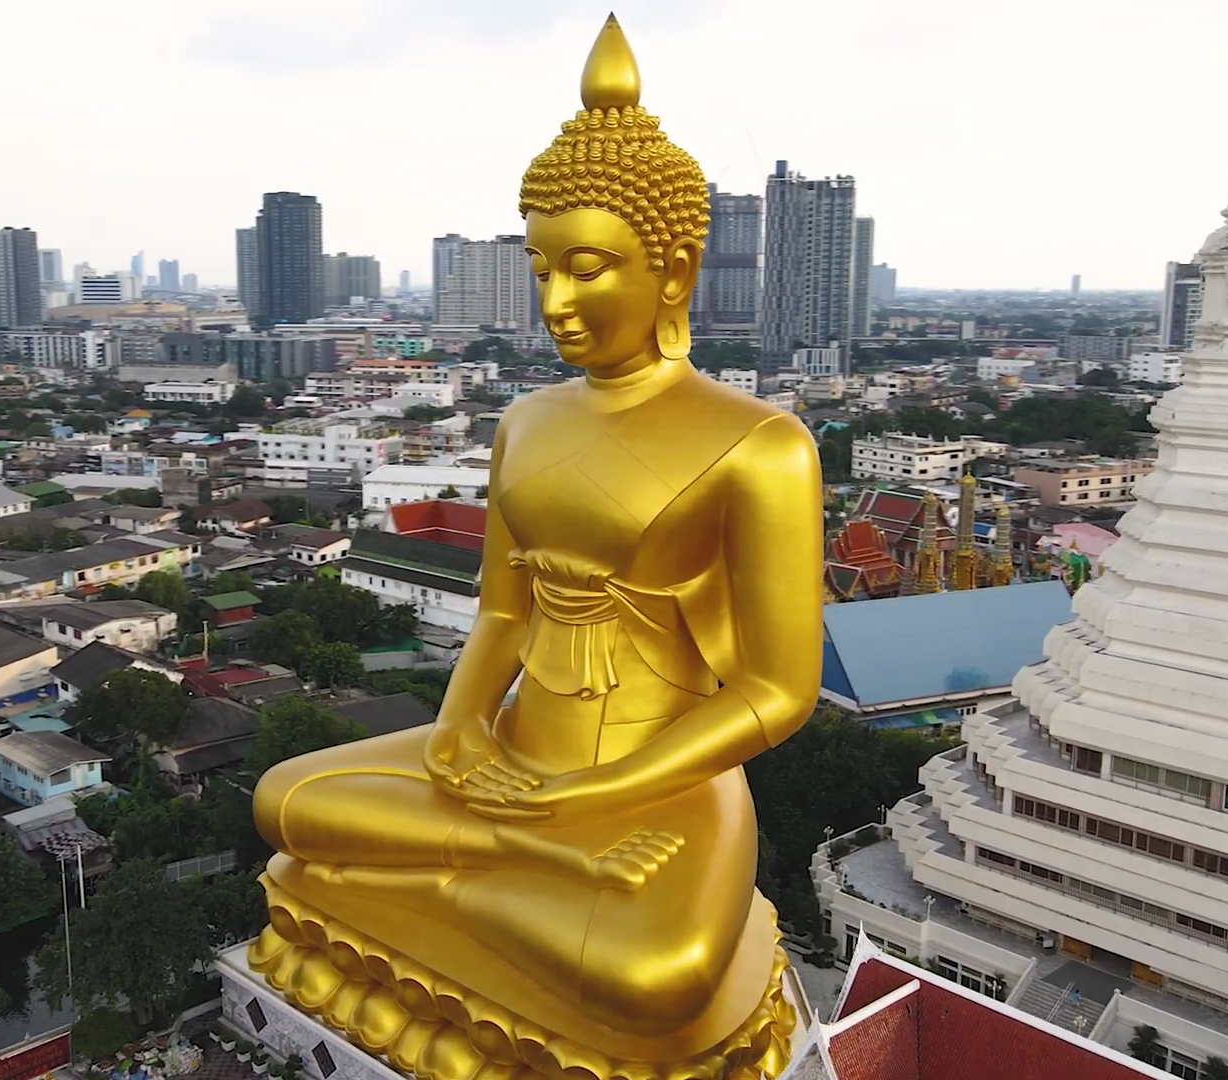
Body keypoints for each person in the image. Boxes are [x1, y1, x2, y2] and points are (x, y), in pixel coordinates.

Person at [246, 17, 823, 1080]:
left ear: (674, 266)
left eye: (589, 269)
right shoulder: (527, 421)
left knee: (662, 973)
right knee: (285, 801)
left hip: (660, 782)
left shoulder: (762, 446)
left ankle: (469, 877)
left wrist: (596, 796)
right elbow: (505, 614)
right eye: (541, 268)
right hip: (513, 765)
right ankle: (508, 861)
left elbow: (776, 694)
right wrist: (463, 730)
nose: (556, 304)